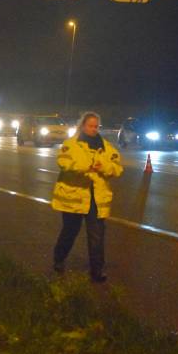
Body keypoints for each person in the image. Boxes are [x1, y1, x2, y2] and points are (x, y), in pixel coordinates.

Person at [51, 112, 123, 282]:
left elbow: (117, 168)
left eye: (96, 126)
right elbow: (63, 162)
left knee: (97, 235)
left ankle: (97, 271)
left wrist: (103, 166)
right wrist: (86, 165)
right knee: (70, 231)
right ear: (83, 125)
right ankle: (59, 259)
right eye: (90, 126)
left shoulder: (106, 147)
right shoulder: (71, 145)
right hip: (74, 197)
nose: (93, 129)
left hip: (96, 199)